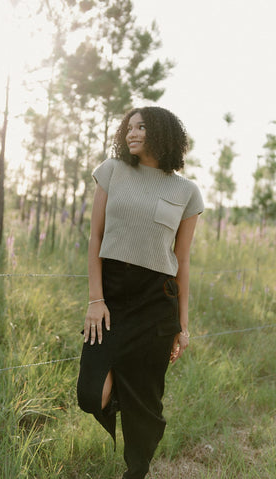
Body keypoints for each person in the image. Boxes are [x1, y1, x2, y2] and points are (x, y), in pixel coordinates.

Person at [77, 106, 204, 479]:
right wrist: (95, 300)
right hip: (112, 297)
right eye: (128, 127)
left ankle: (137, 471)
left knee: (146, 403)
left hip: (155, 302)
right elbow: (95, 238)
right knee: (91, 393)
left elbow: (182, 261)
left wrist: (182, 325)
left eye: (141, 127)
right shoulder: (113, 171)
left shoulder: (187, 192)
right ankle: (125, 393)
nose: (132, 133)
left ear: (162, 134)